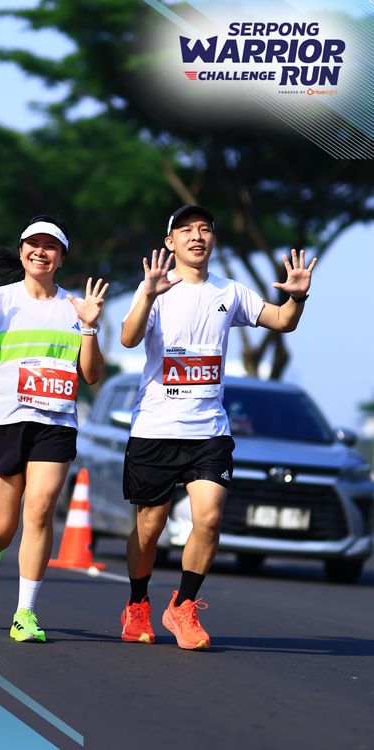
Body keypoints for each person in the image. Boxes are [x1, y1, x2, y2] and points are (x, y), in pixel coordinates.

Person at [120, 204, 317, 650]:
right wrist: (147, 295)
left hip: (209, 430)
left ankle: (184, 606)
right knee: (150, 527)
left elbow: (282, 322)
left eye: (205, 229)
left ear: (213, 240)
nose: (197, 236)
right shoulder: (155, 289)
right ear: (170, 242)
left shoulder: (231, 291)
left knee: (208, 518)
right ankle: (137, 604)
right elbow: (128, 338)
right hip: (155, 428)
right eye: (186, 230)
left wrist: (298, 298)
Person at [0, 214, 108, 643]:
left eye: (50, 246)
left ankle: (25, 613)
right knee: (0, 528)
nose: (41, 252)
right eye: (33, 244)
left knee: (38, 511)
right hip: (3, 421)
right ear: (21, 252)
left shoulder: (76, 307)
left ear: (61, 258)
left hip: (54, 424)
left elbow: (92, 375)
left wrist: (90, 327)